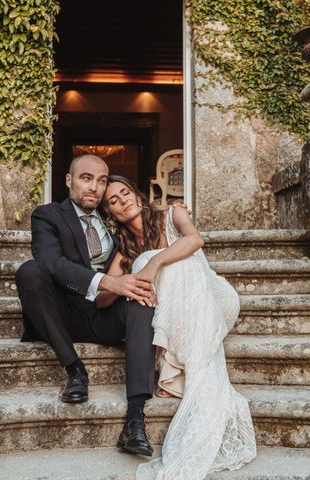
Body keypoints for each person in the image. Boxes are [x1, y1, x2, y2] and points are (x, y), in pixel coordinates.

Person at [99, 175, 257, 480]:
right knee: (148, 260)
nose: (122, 201)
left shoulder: (173, 213)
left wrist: (154, 263)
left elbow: (194, 240)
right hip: (177, 311)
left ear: (139, 194)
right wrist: (120, 284)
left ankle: (178, 371)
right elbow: (103, 300)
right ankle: (176, 370)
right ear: (110, 214)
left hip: (211, 298)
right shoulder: (124, 248)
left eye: (125, 192)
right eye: (113, 201)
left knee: (176, 262)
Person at [14, 155, 158, 457]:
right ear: (69, 180)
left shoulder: (113, 220)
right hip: (63, 313)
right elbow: (50, 262)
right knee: (30, 271)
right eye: (86, 178)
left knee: (141, 300)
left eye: (102, 180)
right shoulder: (48, 215)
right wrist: (108, 282)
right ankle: (76, 369)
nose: (94, 187)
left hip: (103, 313)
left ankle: (135, 418)